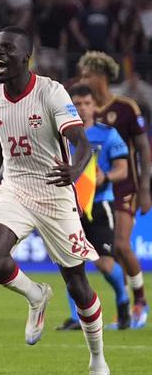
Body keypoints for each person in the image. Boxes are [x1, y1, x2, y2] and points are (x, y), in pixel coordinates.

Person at [0, 26, 110, 375]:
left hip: (55, 191)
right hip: (15, 188)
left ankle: (98, 363)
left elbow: (81, 143)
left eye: (7, 49)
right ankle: (35, 295)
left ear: (25, 56)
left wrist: (76, 170)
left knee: (77, 285)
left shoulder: (50, 92)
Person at [75, 51, 150, 327]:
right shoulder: (85, 109)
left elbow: (142, 148)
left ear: (101, 76)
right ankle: (124, 304)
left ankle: (140, 300)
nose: (83, 80)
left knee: (120, 245)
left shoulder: (127, 107)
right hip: (92, 192)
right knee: (108, 253)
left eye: (87, 75)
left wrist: (145, 188)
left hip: (124, 185)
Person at [56, 84, 131, 330]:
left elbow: (123, 170)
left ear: (95, 106)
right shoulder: (61, 136)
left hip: (99, 205)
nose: (82, 108)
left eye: (87, 103)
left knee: (104, 264)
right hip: (69, 207)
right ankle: (77, 317)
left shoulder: (108, 135)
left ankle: (123, 301)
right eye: (76, 104)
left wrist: (105, 177)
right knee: (71, 263)